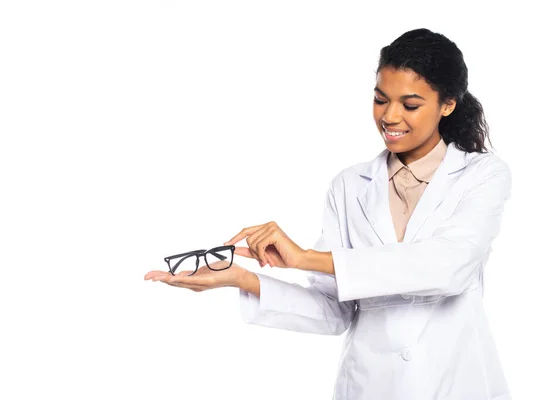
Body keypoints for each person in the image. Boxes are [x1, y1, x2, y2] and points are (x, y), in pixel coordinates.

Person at [145, 28, 512, 400]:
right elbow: (333, 312)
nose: (390, 116)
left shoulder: (482, 176)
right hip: (372, 386)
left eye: (410, 105)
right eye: (380, 100)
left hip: (457, 383)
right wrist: (241, 279)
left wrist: (305, 258)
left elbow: (447, 267)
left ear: (447, 104)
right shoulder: (349, 185)